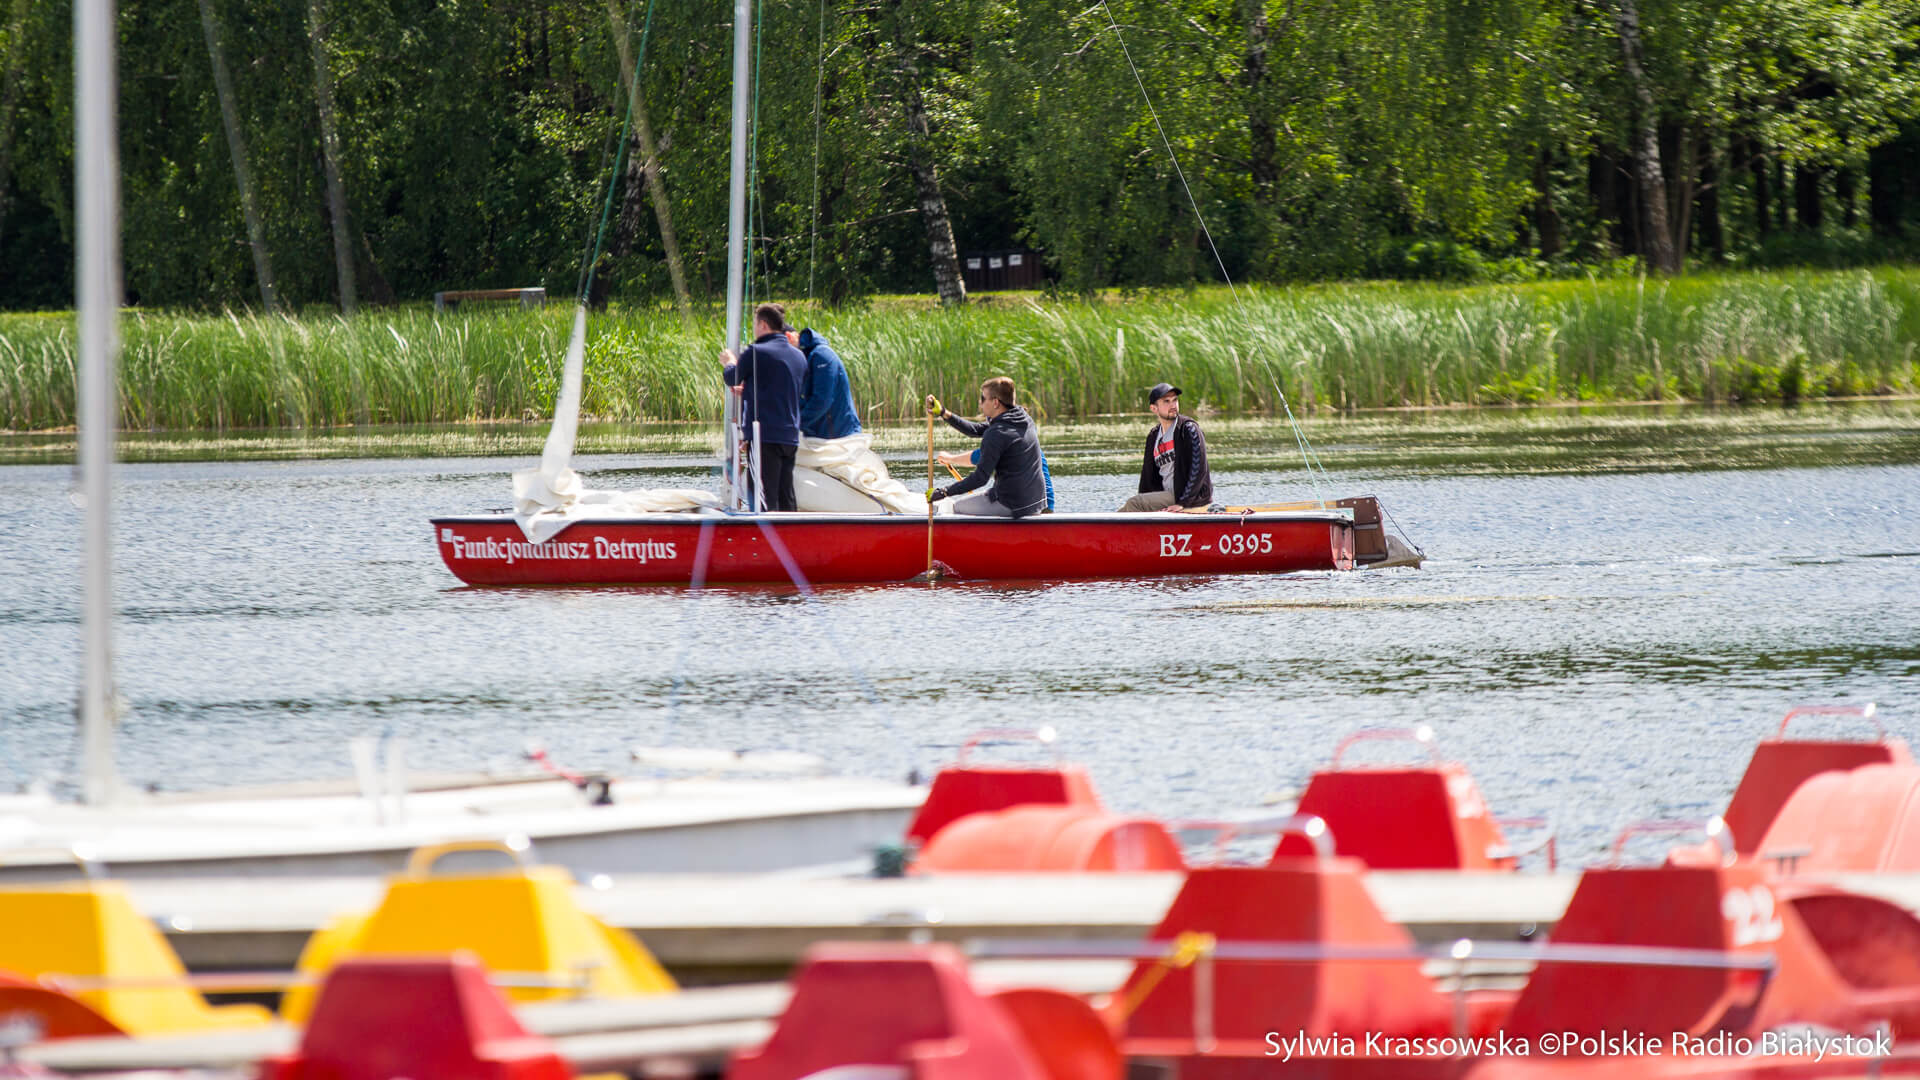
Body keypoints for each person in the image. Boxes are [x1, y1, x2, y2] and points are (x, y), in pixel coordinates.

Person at [719, 303, 806, 511]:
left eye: (756, 324)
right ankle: (791, 537)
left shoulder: (756, 352)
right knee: (786, 496)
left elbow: (733, 377)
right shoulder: (798, 356)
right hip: (790, 436)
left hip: (764, 437)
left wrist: (730, 362)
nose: (755, 329)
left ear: (764, 325)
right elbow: (780, 387)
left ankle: (764, 537)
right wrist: (749, 390)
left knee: (762, 498)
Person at [925, 377, 1047, 518]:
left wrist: (944, 492)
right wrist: (944, 413)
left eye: (983, 398)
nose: (980, 403)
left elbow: (980, 478)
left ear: (995, 403)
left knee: (954, 508)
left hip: (1013, 504)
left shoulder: (997, 433)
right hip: (1036, 501)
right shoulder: (1023, 418)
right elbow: (975, 430)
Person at [1120, 381, 1211, 512]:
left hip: (1190, 497)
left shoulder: (1188, 429)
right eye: (1166, 401)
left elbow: (1199, 469)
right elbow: (1147, 476)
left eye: (1175, 400)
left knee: (1134, 503)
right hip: (1167, 496)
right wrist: (1145, 499)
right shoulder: (1153, 436)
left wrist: (1183, 502)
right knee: (1123, 510)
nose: (1173, 405)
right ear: (1154, 408)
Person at [937, 445, 1055, 512]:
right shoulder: (1031, 441)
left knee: (956, 508)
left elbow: (978, 458)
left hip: (1021, 506)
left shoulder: (1007, 438)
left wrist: (949, 458)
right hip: (1046, 506)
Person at [795, 328, 862, 440]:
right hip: (820, 437)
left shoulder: (822, 355)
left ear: (789, 336)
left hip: (841, 438)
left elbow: (822, 401)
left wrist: (794, 425)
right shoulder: (802, 359)